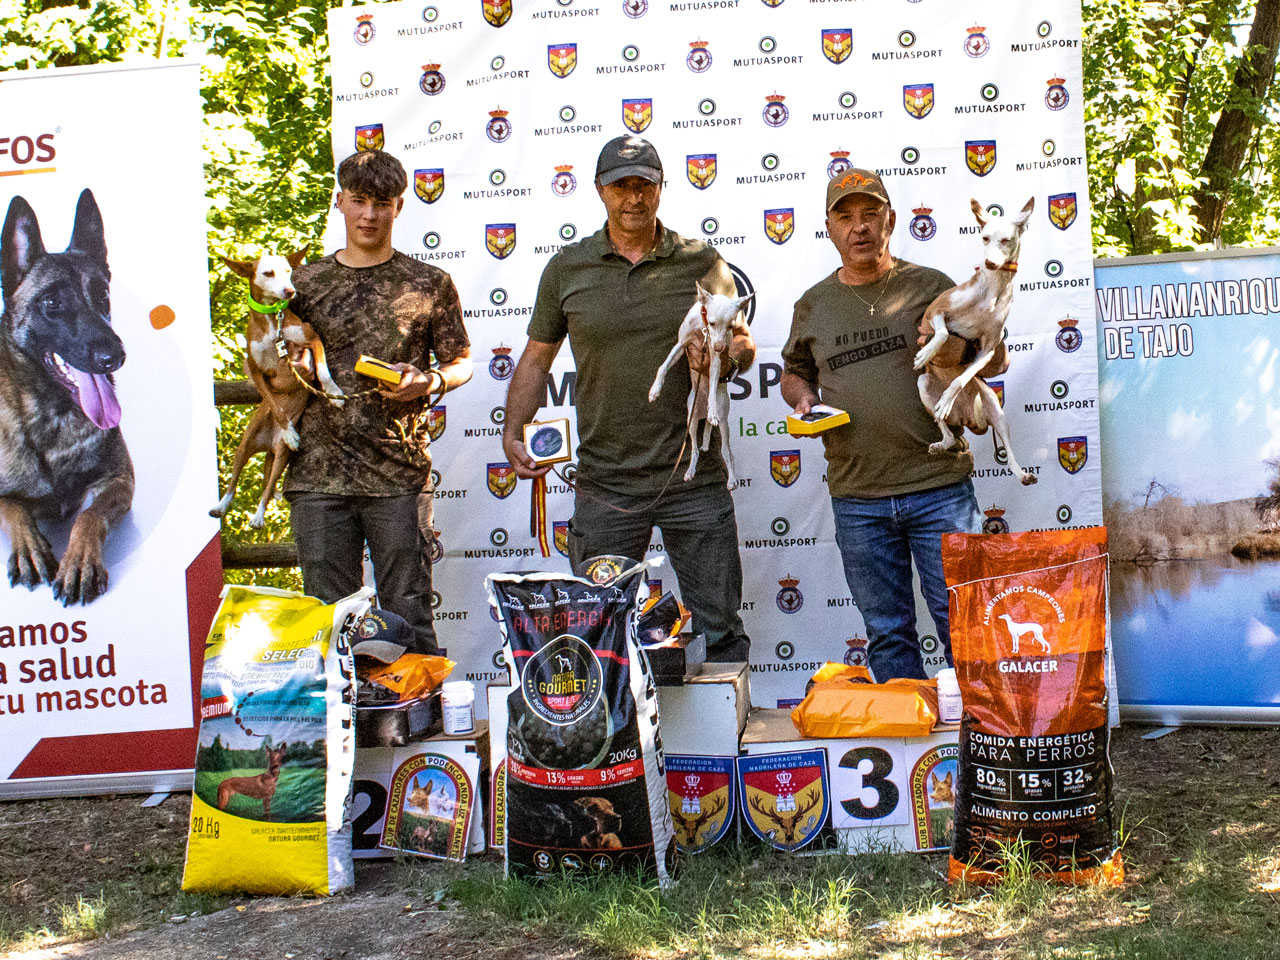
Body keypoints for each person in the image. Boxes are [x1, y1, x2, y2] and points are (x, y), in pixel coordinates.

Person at [502, 135, 755, 662]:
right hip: (606, 482)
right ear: (600, 191)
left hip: (693, 477)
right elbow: (535, 359)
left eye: (645, 185)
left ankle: (726, 741)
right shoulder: (567, 269)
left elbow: (742, 343)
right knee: (596, 632)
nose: (633, 198)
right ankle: (615, 743)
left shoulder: (702, 262)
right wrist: (512, 429)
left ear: (662, 189)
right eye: (622, 187)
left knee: (719, 629)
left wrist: (728, 357)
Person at [780, 169, 1004, 681]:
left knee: (962, 622)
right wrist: (804, 399)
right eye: (846, 216)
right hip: (859, 498)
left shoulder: (930, 286)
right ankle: (907, 749)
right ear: (830, 228)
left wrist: (972, 341)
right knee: (887, 630)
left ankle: (981, 741)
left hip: (939, 489)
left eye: (870, 214)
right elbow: (794, 373)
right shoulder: (813, 304)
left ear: (891, 221)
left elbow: (993, 362)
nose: (859, 228)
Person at [284, 150, 472, 655]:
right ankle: (342, 731)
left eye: (382, 203)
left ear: (399, 208)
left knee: (409, 611)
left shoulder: (429, 283)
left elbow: (463, 362)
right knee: (329, 620)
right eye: (360, 201)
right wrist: (291, 368)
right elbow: (267, 361)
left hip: (398, 473)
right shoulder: (302, 284)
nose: (369, 214)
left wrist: (427, 382)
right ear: (339, 201)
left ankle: (425, 727)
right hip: (316, 475)